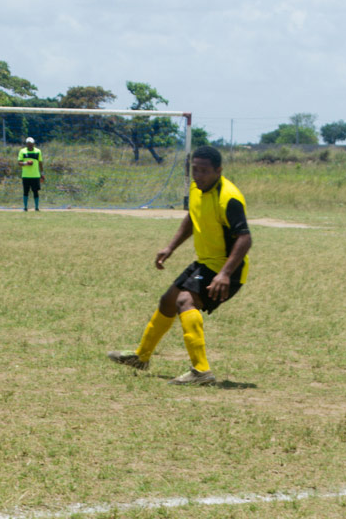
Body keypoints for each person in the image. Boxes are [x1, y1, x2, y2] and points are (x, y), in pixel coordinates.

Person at [107, 146, 252, 385]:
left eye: (204, 171)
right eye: (195, 169)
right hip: (206, 263)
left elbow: (245, 239)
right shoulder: (197, 189)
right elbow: (192, 218)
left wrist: (225, 274)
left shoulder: (229, 197)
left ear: (219, 170)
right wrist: (170, 247)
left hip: (227, 269)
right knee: (167, 301)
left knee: (185, 301)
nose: (198, 175)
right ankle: (141, 357)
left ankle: (201, 372)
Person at [17, 137, 45, 212]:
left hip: (35, 175)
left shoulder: (38, 151)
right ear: (26, 144)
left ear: (33, 144)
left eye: (31, 144)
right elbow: (19, 163)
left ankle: (36, 207)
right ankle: (25, 207)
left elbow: (40, 163)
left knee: (35, 191)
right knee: (25, 192)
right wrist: (26, 163)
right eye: (28, 144)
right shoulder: (22, 151)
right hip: (25, 175)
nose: (30, 145)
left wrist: (42, 174)